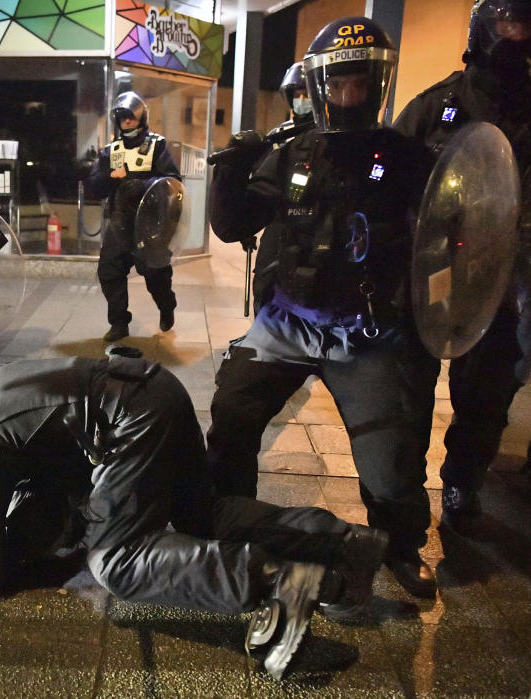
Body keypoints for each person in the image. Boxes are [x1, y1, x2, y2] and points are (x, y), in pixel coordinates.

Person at [0, 355, 391, 681]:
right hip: (154, 389)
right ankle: (342, 544)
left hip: (126, 423)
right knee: (199, 516)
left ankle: (280, 583)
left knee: (116, 562)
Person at [204, 17, 441, 598]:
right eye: (339, 84)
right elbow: (235, 223)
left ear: (377, 86)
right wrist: (233, 169)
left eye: (361, 84)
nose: (349, 95)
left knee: (392, 451)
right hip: (286, 320)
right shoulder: (291, 153)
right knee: (232, 413)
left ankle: (401, 546)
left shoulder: (409, 160)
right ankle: (231, 526)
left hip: (365, 330)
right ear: (319, 87)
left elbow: (449, 238)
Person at [393, 0, 531, 533]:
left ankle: (462, 479)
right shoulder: (434, 106)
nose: (515, 36)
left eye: (525, 26)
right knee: (407, 392)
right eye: (506, 25)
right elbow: (391, 185)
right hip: (429, 275)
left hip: (500, 280)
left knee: (488, 393)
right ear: (484, 29)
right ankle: (401, 493)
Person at [83, 92, 181, 342]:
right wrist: (106, 176)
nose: (127, 121)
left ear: (141, 118)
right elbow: (94, 187)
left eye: (131, 117)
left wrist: (143, 184)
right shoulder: (110, 151)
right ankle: (118, 322)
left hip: (151, 224)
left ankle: (166, 305)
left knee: (155, 274)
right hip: (120, 223)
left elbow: (173, 181)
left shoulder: (156, 146)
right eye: (122, 117)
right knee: (109, 271)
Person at [246, 62, 318, 315]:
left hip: (315, 228)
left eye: (307, 94)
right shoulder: (279, 136)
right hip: (278, 225)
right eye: (296, 95)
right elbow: (259, 177)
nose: (301, 100)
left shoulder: (329, 134)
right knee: (265, 287)